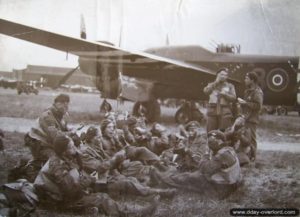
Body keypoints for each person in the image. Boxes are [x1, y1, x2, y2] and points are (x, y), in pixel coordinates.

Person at [34, 134, 159, 217]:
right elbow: (70, 191)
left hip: (78, 189)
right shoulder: (57, 165)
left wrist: (89, 180)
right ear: (64, 151)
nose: (76, 149)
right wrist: (90, 180)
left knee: (114, 183)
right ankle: (136, 213)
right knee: (102, 198)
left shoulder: (67, 157)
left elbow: (78, 176)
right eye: (72, 147)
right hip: (64, 200)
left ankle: (152, 193)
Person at [153, 129, 242, 199]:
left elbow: (204, 169)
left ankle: (163, 179)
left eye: (211, 141)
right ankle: (167, 179)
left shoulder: (221, 154)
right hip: (230, 186)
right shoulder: (229, 150)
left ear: (219, 141)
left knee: (188, 178)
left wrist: (207, 153)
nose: (209, 143)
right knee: (190, 177)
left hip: (220, 190)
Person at [25, 94, 72, 164]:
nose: (65, 106)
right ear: (56, 104)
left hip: (50, 142)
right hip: (40, 144)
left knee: (71, 156)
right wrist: (71, 133)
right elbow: (55, 137)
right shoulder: (47, 116)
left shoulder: (64, 114)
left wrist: (70, 131)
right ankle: (32, 165)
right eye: (61, 103)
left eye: (66, 103)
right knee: (56, 161)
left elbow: (64, 129)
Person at [237, 71, 263, 161]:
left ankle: (253, 157)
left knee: (251, 138)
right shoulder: (247, 91)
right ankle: (246, 156)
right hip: (246, 118)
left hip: (252, 119)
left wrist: (245, 103)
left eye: (247, 78)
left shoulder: (257, 92)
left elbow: (258, 106)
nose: (245, 80)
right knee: (245, 138)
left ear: (252, 80)